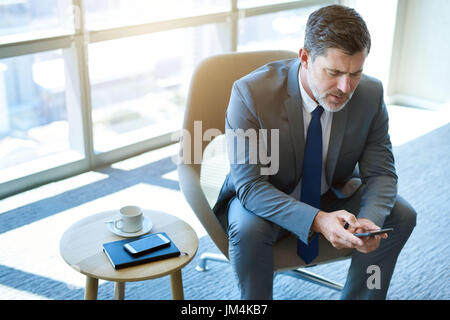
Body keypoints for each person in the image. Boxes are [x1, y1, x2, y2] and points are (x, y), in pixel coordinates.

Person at [213, 4, 417, 299]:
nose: (345, 87)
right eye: (333, 72)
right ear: (305, 58)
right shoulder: (250, 95)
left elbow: (382, 172)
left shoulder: (370, 94)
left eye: (355, 73)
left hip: (331, 189)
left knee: (400, 214)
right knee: (248, 230)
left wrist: (369, 221)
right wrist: (319, 220)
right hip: (270, 195)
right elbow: (251, 186)